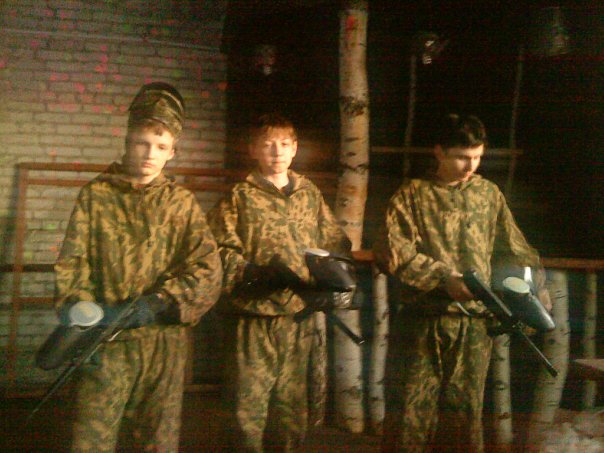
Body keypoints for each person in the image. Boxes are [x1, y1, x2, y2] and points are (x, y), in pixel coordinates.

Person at [54, 82, 223, 452]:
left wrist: (159, 302)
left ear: (172, 152)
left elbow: (208, 270)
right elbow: (72, 263)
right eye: (142, 143)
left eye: (161, 147)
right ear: (127, 141)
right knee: (90, 440)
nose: (149, 154)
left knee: (156, 441)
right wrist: (85, 312)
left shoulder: (181, 203)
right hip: (105, 340)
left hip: (163, 345)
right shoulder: (96, 196)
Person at [373, 113, 552, 452]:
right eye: (461, 157)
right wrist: (443, 278)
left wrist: (535, 287)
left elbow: (515, 248)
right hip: (423, 322)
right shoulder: (412, 195)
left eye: (477, 157)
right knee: (409, 416)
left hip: (474, 327)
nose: (470, 166)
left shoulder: (488, 194)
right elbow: (393, 252)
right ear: (439, 152)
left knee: (464, 420)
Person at [207, 113, 351, 452]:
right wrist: (253, 273)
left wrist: (332, 280)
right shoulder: (239, 196)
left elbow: (335, 243)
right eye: (268, 144)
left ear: (295, 148)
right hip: (252, 317)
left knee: (291, 410)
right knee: (246, 409)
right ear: (253, 150)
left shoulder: (309, 194)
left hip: (297, 317)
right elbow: (217, 250)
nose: (277, 152)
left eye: (284, 144)